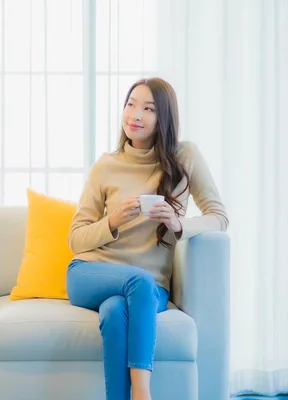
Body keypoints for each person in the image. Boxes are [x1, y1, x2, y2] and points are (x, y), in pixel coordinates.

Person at [67, 77, 229, 400]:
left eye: (148, 108)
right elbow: (76, 239)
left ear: (163, 117)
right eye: (130, 104)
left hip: (150, 286)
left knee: (115, 313)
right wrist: (112, 221)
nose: (135, 115)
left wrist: (178, 223)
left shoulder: (185, 157)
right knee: (135, 284)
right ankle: (143, 393)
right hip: (91, 273)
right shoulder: (106, 166)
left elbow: (219, 216)